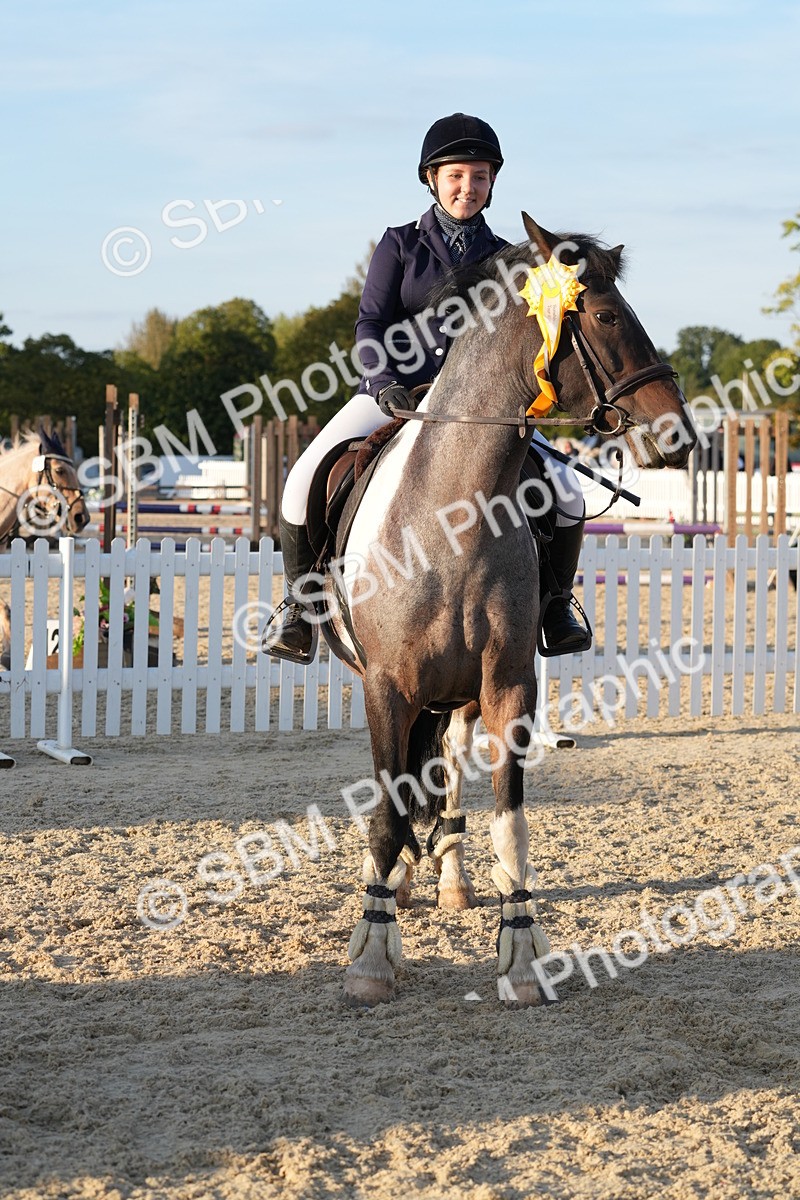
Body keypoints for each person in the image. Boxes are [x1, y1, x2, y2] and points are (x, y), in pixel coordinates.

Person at [263, 112, 588, 662]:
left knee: (569, 492)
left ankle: (555, 606)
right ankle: (299, 609)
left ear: (492, 183)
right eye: (458, 175)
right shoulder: (400, 245)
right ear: (433, 179)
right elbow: (370, 324)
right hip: (394, 394)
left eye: (481, 176)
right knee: (302, 479)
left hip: (478, 409)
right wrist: (383, 380)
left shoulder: (509, 257)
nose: (469, 187)